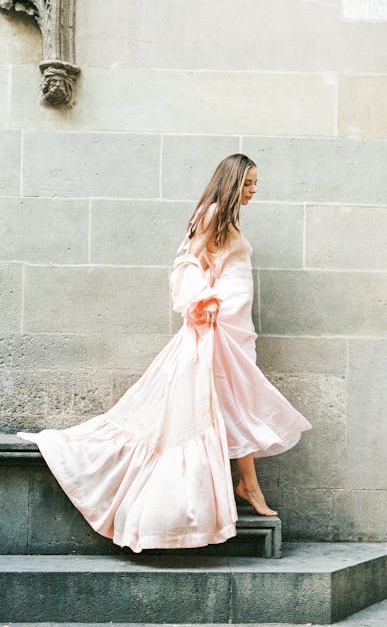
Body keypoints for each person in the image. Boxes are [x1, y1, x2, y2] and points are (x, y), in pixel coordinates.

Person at [18, 153, 311, 553]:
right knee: (226, 403)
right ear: (231, 184)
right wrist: (198, 299)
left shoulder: (229, 222)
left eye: (255, 183)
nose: (254, 190)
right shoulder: (209, 215)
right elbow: (186, 262)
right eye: (248, 184)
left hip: (235, 330)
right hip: (216, 326)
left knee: (237, 403)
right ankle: (248, 487)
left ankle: (248, 484)